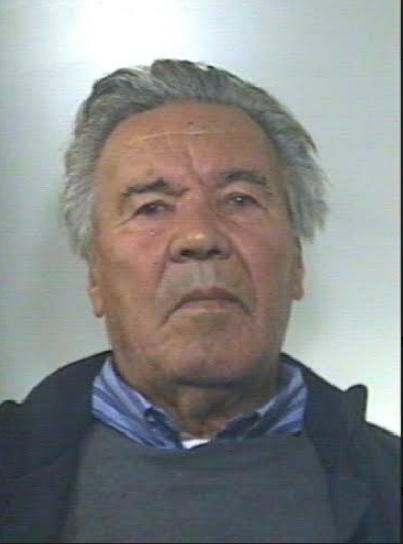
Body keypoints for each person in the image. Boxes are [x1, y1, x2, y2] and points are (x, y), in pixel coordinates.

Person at [0, 59, 399, 544]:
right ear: (95, 276)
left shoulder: (390, 482)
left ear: (296, 263)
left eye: (240, 200)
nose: (199, 236)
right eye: (151, 208)